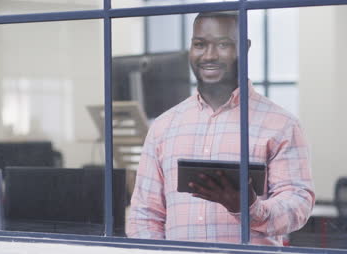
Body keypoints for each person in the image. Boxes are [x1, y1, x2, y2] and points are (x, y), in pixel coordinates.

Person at [126, 11, 315, 246]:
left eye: (223, 44)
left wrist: (249, 208)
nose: (209, 55)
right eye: (200, 44)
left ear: (244, 48)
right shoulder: (164, 126)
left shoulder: (281, 124)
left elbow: (298, 203)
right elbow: (145, 215)